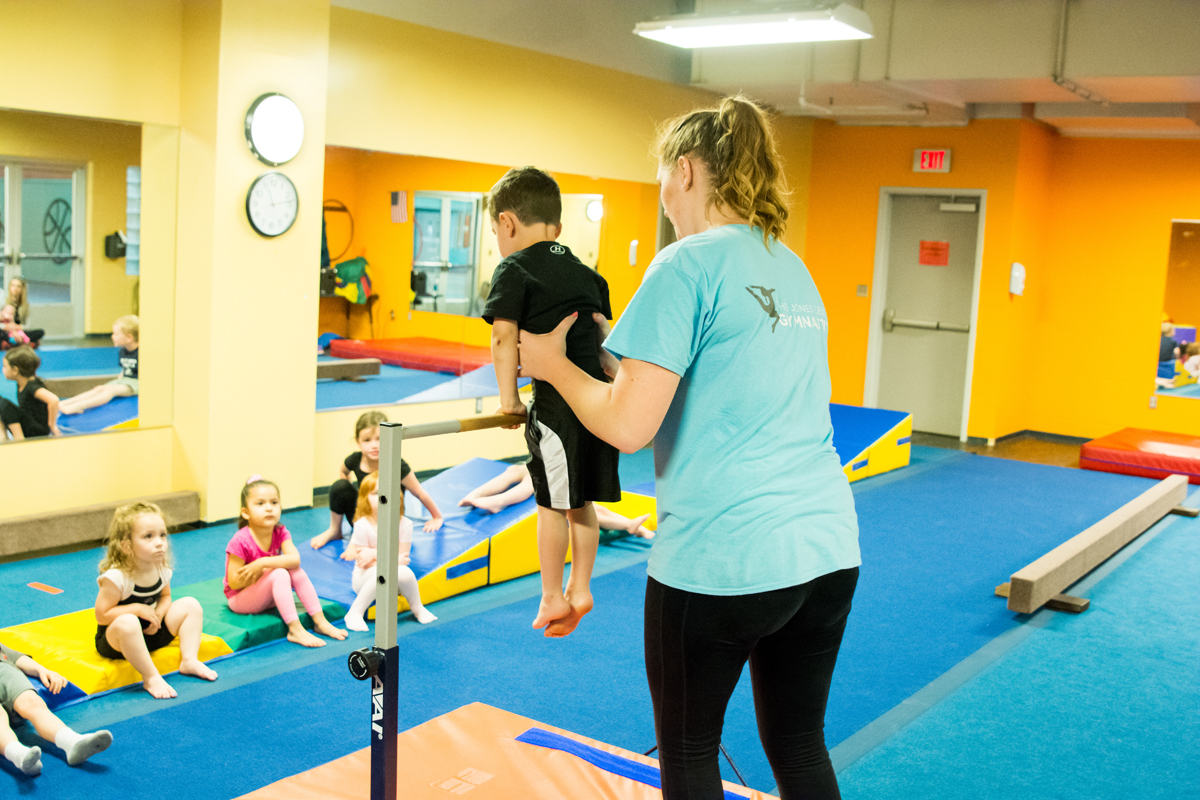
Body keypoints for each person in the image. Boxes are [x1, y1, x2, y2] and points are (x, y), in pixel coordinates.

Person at [517, 96, 860, 799]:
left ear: (686, 170)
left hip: (724, 558)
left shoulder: (684, 264)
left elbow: (627, 426)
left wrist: (551, 367)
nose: (665, 197)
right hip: (826, 550)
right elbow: (710, 379)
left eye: (665, 180)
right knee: (798, 745)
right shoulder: (791, 268)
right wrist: (615, 362)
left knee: (689, 750)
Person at [481, 166, 621, 638]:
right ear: (557, 228)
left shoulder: (514, 269)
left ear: (507, 223)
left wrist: (509, 402)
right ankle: (580, 586)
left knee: (550, 503)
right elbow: (606, 347)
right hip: (600, 405)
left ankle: (552, 593)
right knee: (580, 502)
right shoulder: (589, 274)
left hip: (558, 409)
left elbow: (503, 338)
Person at [94, 501, 217, 699]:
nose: (159, 542)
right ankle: (151, 676)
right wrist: (137, 609)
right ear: (127, 546)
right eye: (148, 536)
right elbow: (102, 616)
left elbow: (166, 596)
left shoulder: (160, 568)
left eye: (162, 535)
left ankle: (189, 660)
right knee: (128, 622)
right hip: (118, 641)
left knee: (190, 605)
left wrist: (159, 613)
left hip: (152, 631)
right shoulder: (117, 577)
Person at [226, 477, 348, 648]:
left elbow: (295, 559)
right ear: (246, 513)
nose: (269, 508)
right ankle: (295, 629)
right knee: (280, 572)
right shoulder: (240, 540)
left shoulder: (280, 531)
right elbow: (233, 582)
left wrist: (261, 563)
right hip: (241, 600)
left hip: (268, 595)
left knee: (294, 570)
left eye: (274, 502)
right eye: (260, 504)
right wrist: (262, 570)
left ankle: (320, 621)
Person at [310, 411, 445, 550]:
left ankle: (361, 537)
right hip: (363, 516)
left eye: (379, 439)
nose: (374, 445)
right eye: (367, 440)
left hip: (388, 520)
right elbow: (343, 472)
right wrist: (350, 494)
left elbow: (418, 492)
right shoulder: (355, 459)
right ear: (358, 442)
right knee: (340, 486)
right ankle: (335, 530)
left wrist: (437, 517)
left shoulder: (396, 464)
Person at [342, 472, 436, 631]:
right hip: (364, 579)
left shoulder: (404, 524)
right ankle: (355, 612)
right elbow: (365, 562)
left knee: (405, 572)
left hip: (395, 580)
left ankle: (418, 607)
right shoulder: (361, 525)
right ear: (365, 498)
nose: (382, 497)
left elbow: (403, 559)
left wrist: (373, 553)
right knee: (386, 571)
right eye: (375, 493)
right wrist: (391, 559)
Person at [459, 462, 654, 539]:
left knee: (591, 510)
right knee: (516, 471)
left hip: (562, 480)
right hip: (554, 474)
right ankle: (480, 495)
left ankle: (629, 524)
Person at [0, 644, 112, 776]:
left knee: (32, 702)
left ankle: (72, 741)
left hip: (3, 669)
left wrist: (41, 670)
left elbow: (14, 656)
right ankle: (18, 754)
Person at [58, 315, 139, 416]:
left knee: (111, 390)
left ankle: (80, 406)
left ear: (129, 338)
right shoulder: (123, 351)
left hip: (137, 384)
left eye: (116, 334)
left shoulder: (140, 353)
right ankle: (67, 402)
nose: (112, 336)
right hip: (125, 381)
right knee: (99, 388)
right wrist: (118, 380)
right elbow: (124, 369)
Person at [0, 345, 60, 440]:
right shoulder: (22, 382)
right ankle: (3, 436)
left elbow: (54, 400)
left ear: (15, 370)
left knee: (4, 405)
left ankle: (19, 438)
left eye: (5, 366)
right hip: (29, 424)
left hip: (36, 431)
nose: (3, 369)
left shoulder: (32, 387)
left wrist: (52, 425)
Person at [4, 278, 43, 347]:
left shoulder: (26, 306)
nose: (15, 288)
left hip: (21, 331)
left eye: (18, 286)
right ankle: (24, 343)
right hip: (7, 331)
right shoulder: (3, 303)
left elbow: (28, 325)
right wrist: (9, 328)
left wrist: (16, 328)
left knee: (40, 332)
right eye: (13, 285)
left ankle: (14, 343)